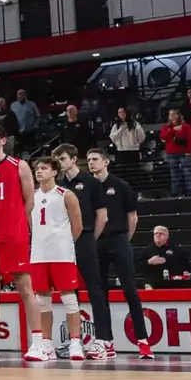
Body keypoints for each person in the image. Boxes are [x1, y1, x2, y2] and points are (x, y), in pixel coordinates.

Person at [0, 124, 41, 356]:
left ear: (3, 141)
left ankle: (38, 342)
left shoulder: (19, 165)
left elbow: (29, 201)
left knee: (25, 287)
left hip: (13, 235)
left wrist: (20, 226)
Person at [87, 148, 151, 358]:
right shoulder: (88, 187)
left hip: (118, 238)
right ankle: (106, 342)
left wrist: (124, 239)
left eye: (95, 159)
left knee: (130, 290)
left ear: (106, 162)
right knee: (99, 294)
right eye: (88, 160)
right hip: (97, 242)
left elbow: (133, 218)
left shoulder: (120, 185)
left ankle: (143, 342)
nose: (91, 163)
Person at [54, 144, 111, 359]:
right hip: (64, 241)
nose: (59, 163)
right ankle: (74, 340)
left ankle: (103, 340)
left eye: (62, 159)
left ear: (73, 159)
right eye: (57, 160)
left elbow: (102, 216)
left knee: (95, 288)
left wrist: (90, 239)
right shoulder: (58, 185)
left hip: (85, 237)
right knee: (69, 292)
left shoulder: (91, 183)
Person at [30, 157, 87, 361]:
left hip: (61, 255)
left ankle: (75, 343)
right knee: (42, 302)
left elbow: (78, 226)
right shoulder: (31, 196)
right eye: (37, 168)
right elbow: (31, 225)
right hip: (38, 255)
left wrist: (64, 244)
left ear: (54, 172)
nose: (38, 171)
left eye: (44, 168)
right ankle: (46, 344)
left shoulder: (66, 195)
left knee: (69, 299)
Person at [160, 108, 191, 197]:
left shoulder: (186, 126)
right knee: (174, 174)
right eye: (170, 115)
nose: (172, 116)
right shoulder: (166, 127)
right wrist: (173, 130)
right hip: (171, 154)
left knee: (187, 173)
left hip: (184, 153)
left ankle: (190, 193)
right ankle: (174, 193)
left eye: (174, 114)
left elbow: (190, 140)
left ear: (178, 115)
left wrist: (188, 151)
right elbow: (164, 137)